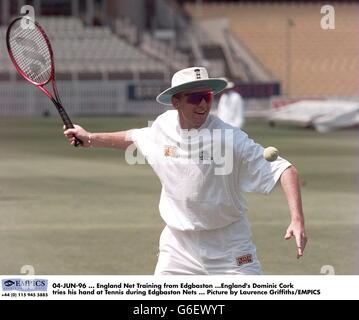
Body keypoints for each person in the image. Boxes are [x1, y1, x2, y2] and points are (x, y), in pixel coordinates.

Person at [64, 67, 307, 275]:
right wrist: (90, 138)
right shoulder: (162, 126)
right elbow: (133, 138)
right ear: (176, 102)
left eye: (207, 96)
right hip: (178, 247)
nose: (203, 103)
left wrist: (297, 220)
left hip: (229, 246)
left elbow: (285, 169)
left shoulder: (230, 138)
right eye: (194, 98)